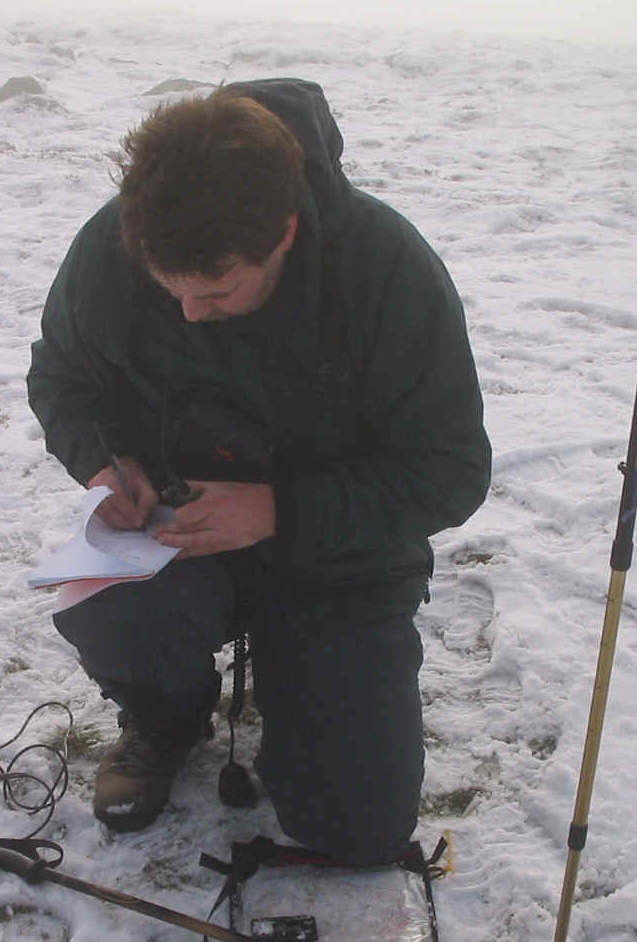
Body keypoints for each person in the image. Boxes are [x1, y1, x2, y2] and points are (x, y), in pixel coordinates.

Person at [27, 79, 491, 864]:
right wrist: (105, 462)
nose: (188, 315)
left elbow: (451, 470)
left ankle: (304, 697)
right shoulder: (119, 242)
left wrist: (284, 510)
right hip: (175, 537)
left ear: (283, 233)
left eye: (214, 292)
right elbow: (60, 376)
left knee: (355, 831)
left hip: (337, 559)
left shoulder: (383, 269)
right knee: (112, 614)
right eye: (169, 290)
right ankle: (164, 717)